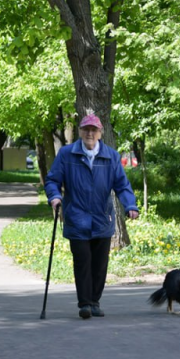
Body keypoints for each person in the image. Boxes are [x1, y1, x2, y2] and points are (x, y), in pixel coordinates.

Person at [44, 113, 139, 319]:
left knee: (99, 263)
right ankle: (85, 303)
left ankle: (95, 301)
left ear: (100, 133)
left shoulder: (111, 156)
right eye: (86, 129)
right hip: (77, 217)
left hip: (102, 218)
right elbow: (52, 180)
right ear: (80, 131)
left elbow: (122, 185)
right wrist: (54, 196)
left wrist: (130, 205)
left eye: (93, 130)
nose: (89, 133)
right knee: (82, 261)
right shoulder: (67, 154)